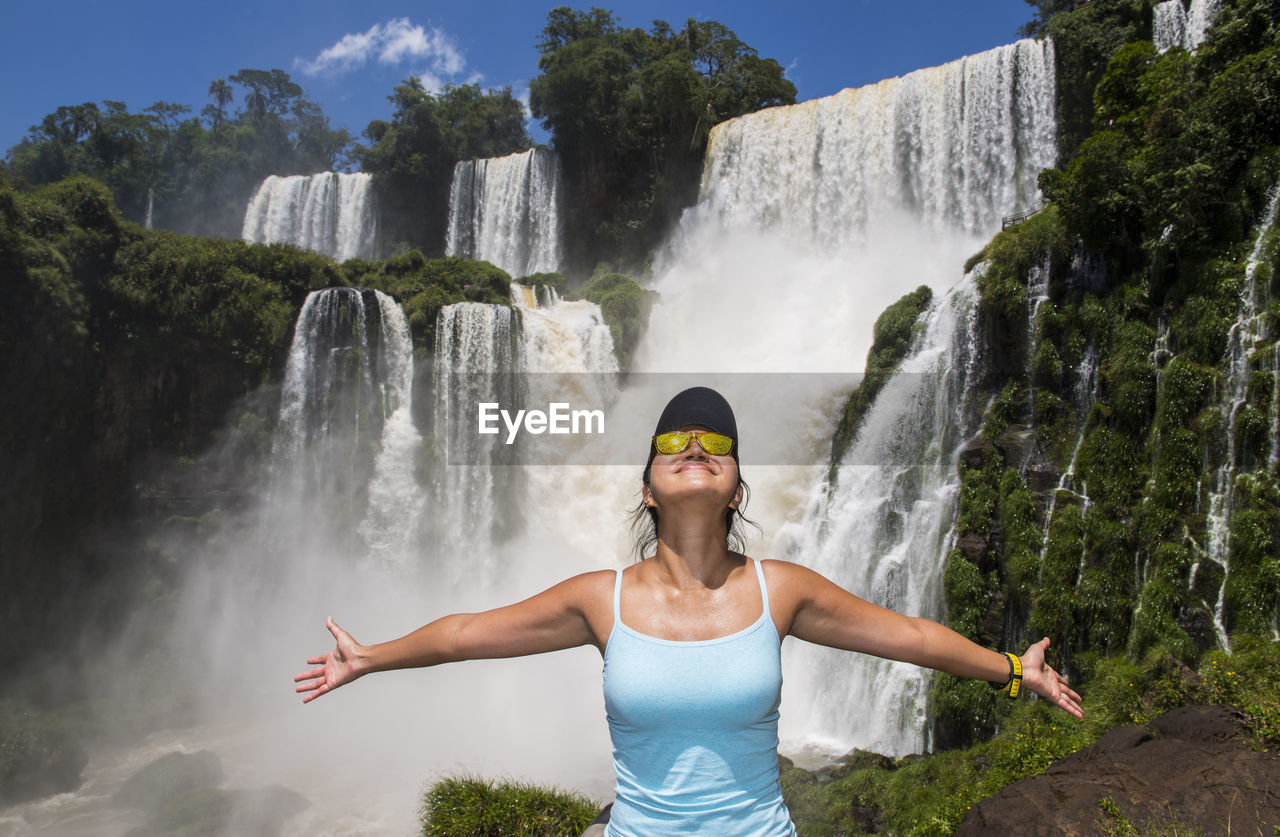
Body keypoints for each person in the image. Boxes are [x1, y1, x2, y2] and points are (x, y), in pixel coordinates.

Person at [295, 386, 1083, 837]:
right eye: (673, 438)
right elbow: (468, 635)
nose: (694, 444)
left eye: (716, 440)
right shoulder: (600, 599)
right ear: (647, 484)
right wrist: (371, 657)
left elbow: (907, 637)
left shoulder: (783, 590)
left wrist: (1015, 669)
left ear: (737, 486)